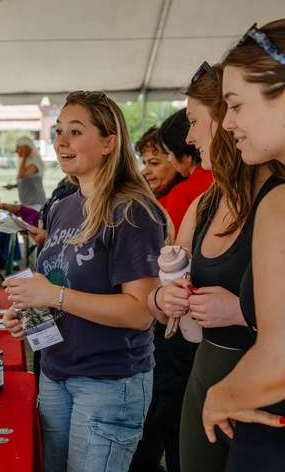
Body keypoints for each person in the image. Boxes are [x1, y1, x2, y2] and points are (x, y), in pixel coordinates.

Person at [3, 91, 167, 472]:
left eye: (76, 131)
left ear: (109, 142)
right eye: (59, 131)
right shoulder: (62, 207)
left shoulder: (131, 211)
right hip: (57, 372)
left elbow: (142, 312)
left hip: (109, 382)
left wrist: (54, 295)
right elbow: (57, 283)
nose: (61, 141)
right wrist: (31, 310)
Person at [148, 61, 285, 472]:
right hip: (207, 378)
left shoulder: (276, 198)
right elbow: (157, 302)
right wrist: (165, 296)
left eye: (194, 121)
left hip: (260, 387)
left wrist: (241, 311)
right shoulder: (205, 203)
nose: (188, 137)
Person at [200, 19, 285, 472]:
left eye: (234, 105)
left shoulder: (280, 203)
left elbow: (279, 357)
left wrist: (219, 397)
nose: (227, 123)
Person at [130, 125, 196, 472]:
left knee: (165, 416)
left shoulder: (185, 197)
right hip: (189, 328)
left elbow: (172, 271)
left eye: (160, 160)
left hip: (174, 328)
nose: (148, 170)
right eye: (146, 161)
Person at [159, 108, 213, 233]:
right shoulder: (230, 179)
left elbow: (175, 248)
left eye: (169, 153)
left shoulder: (182, 192)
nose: (169, 159)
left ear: (186, 155)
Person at [137, 126, 184, 209]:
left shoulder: (181, 196)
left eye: (154, 163)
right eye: (144, 163)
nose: (145, 171)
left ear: (175, 159)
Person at [4, 136, 47, 210]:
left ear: (26, 148)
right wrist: (14, 186)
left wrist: (24, 156)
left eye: (18, 148)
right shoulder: (27, 163)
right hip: (28, 203)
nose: (16, 151)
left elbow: (21, 175)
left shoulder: (34, 164)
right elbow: (27, 182)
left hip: (36, 204)